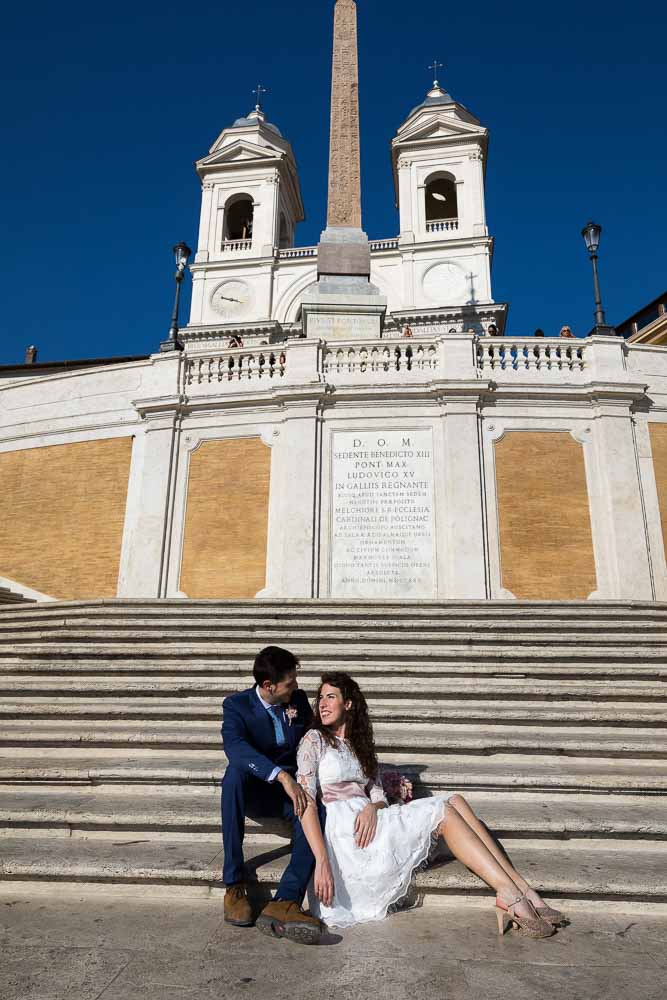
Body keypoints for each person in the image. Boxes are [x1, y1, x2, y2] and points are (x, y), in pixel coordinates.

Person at [297, 672, 562, 938]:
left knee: (455, 799)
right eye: (320, 698)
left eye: (331, 697)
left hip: (370, 819)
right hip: (345, 832)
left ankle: (522, 888)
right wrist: (321, 861)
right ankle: (510, 894)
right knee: (443, 813)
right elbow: (306, 802)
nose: (322, 703)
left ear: (349, 704)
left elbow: (377, 796)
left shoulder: (358, 746)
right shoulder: (314, 740)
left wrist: (371, 808)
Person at [221, 646, 324, 944]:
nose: (296, 687)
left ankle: (286, 900)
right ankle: (234, 884)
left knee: (314, 808)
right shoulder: (236, 706)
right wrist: (280, 776)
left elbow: (316, 736)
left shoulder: (298, 700)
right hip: (257, 789)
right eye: (289, 683)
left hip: (292, 793)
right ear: (269, 686)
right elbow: (236, 749)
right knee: (233, 777)